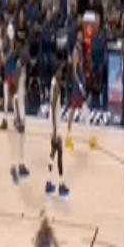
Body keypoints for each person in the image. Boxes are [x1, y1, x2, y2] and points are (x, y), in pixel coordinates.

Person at [65, 29, 96, 152]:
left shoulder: (81, 48)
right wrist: (79, 85)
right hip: (77, 83)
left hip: (81, 80)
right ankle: (68, 135)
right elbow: (74, 71)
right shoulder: (75, 50)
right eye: (79, 34)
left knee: (84, 108)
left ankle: (88, 136)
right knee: (74, 109)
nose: (81, 36)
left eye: (82, 34)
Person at [46, 63, 69, 197]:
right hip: (55, 124)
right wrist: (55, 130)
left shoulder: (53, 83)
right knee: (59, 153)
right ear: (56, 71)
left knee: (53, 153)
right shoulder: (56, 87)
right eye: (60, 70)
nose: (62, 72)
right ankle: (61, 184)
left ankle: (48, 182)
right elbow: (54, 106)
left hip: (53, 122)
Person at [10, 54, 30, 184]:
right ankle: (14, 169)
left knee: (22, 139)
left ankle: (21, 165)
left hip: (21, 105)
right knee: (18, 139)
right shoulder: (18, 69)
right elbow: (15, 92)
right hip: (18, 104)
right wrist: (17, 118)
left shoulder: (22, 69)